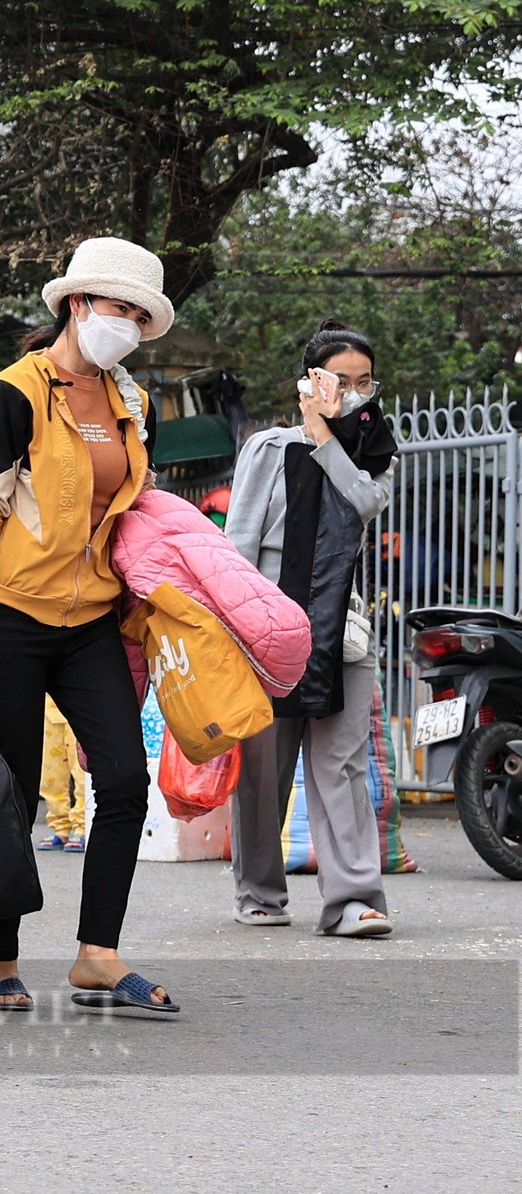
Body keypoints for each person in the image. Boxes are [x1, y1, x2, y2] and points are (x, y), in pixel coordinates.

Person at [0, 235, 179, 1017]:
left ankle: (97, 953)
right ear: (76, 303)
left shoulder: (134, 403)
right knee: (11, 795)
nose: (126, 324)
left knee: (126, 781)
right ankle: (0, 962)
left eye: (139, 315)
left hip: (91, 619)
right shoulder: (13, 394)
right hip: (5, 618)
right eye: (116, 307)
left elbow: (134, 511)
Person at [224, 320, 397, 937]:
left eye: (363, 383)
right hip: (267, 629)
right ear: (309, 382)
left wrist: (328, 439)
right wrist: (232, 631)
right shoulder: (267, 449)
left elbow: (361, 504)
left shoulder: (374, 456)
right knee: (263, 772)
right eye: (337, 381)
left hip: (340, 632)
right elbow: (238, 547)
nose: (352, 393)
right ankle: (260, 893)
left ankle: (353, 899)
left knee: (343, 768)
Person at [38, 697, 89, 853]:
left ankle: (82, 827)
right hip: (47, 708)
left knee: (81, 773)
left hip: (79, 708)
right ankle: (59, 826)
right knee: (49, 774)